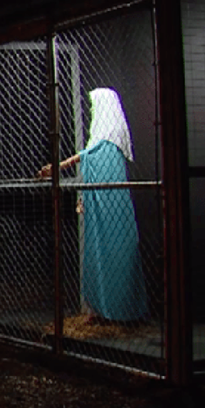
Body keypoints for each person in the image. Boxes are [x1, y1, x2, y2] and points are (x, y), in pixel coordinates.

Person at [37, 88, 148, 324]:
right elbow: (88, 155)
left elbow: (88, 155)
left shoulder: (108, 138)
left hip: (111, 205)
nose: (91, 111)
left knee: (114, 247)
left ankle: (119, 308)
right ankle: (103, 308)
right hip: (103, 202)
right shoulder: (105, 139)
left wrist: (58, 167)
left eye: (94, 106)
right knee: (100, 248)